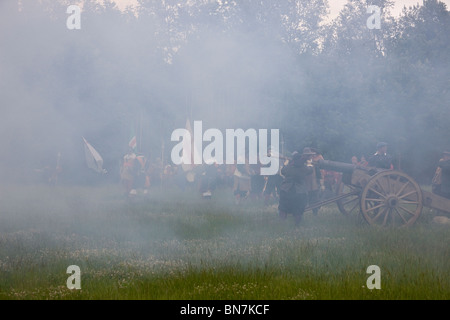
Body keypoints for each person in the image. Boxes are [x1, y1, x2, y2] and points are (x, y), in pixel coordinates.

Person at [278, 149, 314, 227]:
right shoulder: (304, 168)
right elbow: (310, 170)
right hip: (299, 192)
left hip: (286, 190)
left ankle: (282, 225)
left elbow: (283, 171)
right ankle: (296, 226)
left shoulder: (289, 167)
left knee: (283, 209)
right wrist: (309, 164)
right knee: (298, 211)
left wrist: (287, 163)